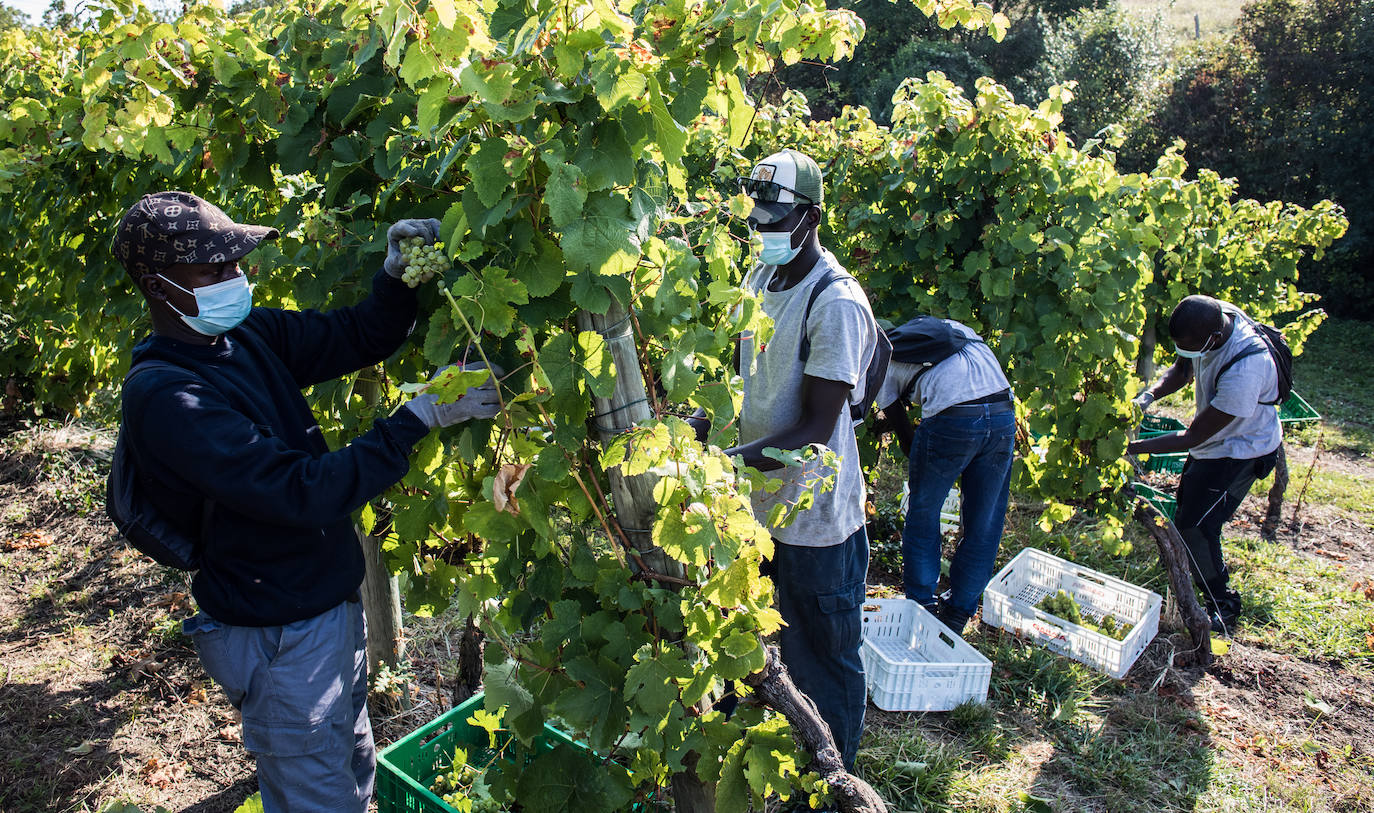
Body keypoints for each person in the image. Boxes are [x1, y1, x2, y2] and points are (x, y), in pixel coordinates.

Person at [111, 191, 501, 811]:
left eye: (237, 263)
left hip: (323, 611)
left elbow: (354, 334)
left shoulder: (244, 334)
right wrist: (417, 418)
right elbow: (301, 491)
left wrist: (395, 280)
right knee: (317, 800)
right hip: (277, 636)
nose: (235, 279)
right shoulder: (167, 395)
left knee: (351, 771)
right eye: (214, 270)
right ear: (161, 288)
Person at [719, 149, 878, 774]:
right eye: (755, 217)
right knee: (759, 647)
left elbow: (815, 428)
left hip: (816, 522)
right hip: (756, 508)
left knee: (822, 655)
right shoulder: (759, 279)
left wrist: (725, 466)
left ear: (812, 217)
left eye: (776, 218)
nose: (762, 228)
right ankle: (768, 760)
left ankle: (835, 778)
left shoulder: (834, 301)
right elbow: (749, 382)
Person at [1128, 294, 1281, 635]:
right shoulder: (1214, 321)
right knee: (1186, 515)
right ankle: (1186, 570)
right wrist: (1148, 396)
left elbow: (1191, 437)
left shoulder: (1246, 367)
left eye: (1192, 346)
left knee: (1198, 527)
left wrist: (1129, 447)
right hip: (1213, 445)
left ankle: (1222, 604)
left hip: (1240, 451)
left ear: (1212, 338)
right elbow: (1183, 368)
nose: (1186, 351)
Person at [872, 317, 1015, 636]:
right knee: (985, 520)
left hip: (953, 418)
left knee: (924, 512)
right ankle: (958, 614)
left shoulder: (880, 358)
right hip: (1003, 412)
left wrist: (926, 459)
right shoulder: (951, 328)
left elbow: (904, 432)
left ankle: (921, 607)